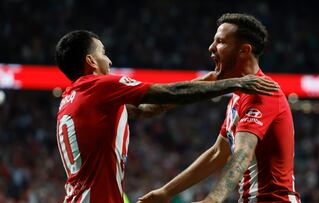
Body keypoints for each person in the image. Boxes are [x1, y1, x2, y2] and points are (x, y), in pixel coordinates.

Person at [54, 30, 278, 203]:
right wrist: (233, 83)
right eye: (102, 53)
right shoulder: (100, 86)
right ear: (91, 61)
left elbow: (145, 109)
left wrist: (205, 81)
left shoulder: (71, 100)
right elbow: (169, 93)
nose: (109, 61)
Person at [138, 13, 301, 203]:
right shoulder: (238, 95)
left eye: (220, 42)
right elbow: (218, 152)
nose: (211, 48)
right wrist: (166, 192)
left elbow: (242, 153)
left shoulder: (262, 92)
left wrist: (213, 199)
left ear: (244, 50)